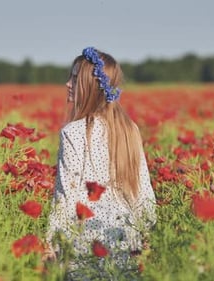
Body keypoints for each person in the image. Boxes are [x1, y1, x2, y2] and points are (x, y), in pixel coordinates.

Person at [44, 47, 157, 279]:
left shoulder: (73, 132)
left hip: (87, 242)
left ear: (90, 85)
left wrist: (50, 244)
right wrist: (146, 237)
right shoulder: (129, 129)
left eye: (74, 78)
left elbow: (66, 196)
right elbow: (144, 193)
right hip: (126, 238)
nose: (67, 84)